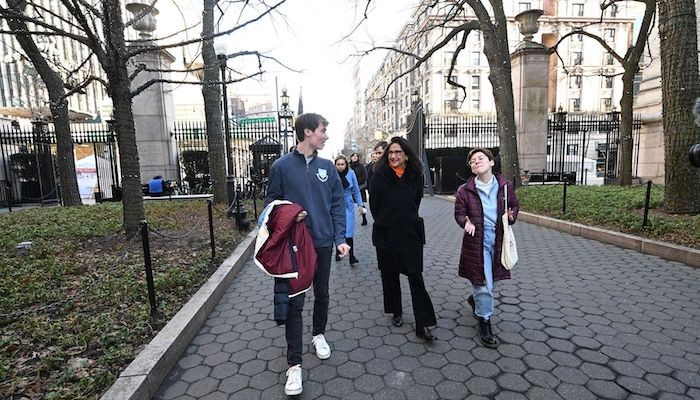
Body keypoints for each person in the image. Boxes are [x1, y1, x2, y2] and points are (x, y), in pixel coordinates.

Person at [265, 113, 350, 396]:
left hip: (324, 242)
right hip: (296, 246)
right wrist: (290, 213)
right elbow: (270, 206)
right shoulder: (281, 167)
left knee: (322, 293)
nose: (325, 135)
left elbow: (338, 204)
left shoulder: (328, 166)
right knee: (296, 303)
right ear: (307, 132)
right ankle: (294, 365)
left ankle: (318, 335)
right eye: (322, 131)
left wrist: (341, 238)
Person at [369, 136, 437, 341]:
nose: (393, 156)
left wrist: (405, 218)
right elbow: (374, 206)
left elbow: (416, 201)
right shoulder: (379, 176)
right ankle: (396, 311)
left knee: (416, 277)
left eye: (398, 152)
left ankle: (422, 323)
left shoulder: (416, 175)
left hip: (410, 233)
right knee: (390, 275)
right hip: (386, 233)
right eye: (390, 152)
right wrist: (387, 220)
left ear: (406, 155)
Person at [454, 148, 519, 349]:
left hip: (498, 239)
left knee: (492, 282)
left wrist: (511, 215)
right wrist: (466, 222)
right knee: (483, 283)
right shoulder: (464, 190)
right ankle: (484, 321)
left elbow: (515, 206)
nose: (476, 162)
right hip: (477, 241)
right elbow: (459, 212)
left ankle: (476, 300)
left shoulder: (505, 186)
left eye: (480, 159)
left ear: (491, 162)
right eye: (472, 161)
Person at [334, 154, 363, 265]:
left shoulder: (351, 174)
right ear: (335, 165)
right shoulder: (333, 174)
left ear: (346, 164)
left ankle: (352, 256)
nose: (340, 166)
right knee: (337, 228)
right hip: (336, 203)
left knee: (349, 231)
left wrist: (360, 204)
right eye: (338, 164)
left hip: (348, 204)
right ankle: (338, 251)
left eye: (342, 164)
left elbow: (356, 190)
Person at [349, 152, 369, 226]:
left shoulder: (361, 166)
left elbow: (365, 177)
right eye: (353, 156)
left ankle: (364, 218)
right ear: (351, 157)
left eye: (356, 156)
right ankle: (350, 219)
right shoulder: (348, 165)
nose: (354, 157)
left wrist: (356, 183)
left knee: (361, 204)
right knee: (349, 204)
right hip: (349, 188)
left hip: (359, 188)